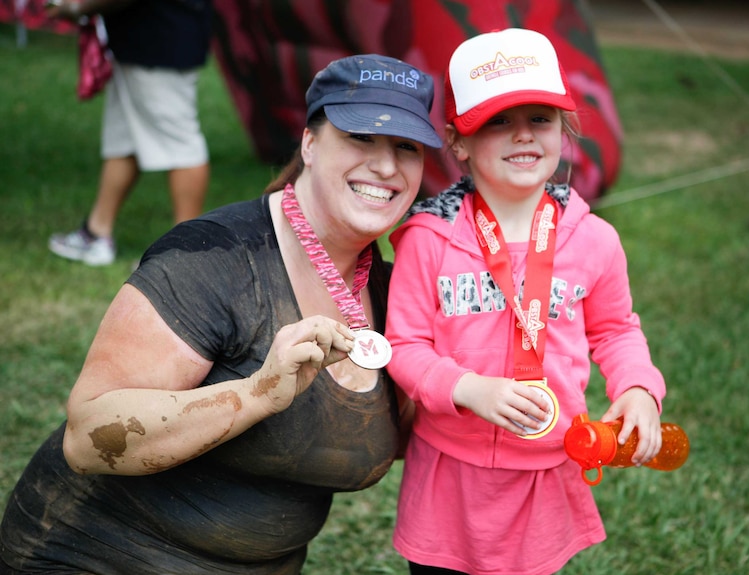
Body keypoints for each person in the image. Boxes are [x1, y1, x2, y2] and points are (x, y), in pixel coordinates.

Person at [0, 53, 441, 574]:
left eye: (406, 147)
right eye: (362, 138)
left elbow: (411, 432)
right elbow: (88, 437)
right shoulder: (213, 258)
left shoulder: (394, 290)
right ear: (310, 143)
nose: (386, 166)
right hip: (94, 555)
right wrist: (255, 394)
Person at [384, 28, 667, 575]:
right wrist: (468, 388)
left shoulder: (595, 240)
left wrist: (639, 389)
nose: (523, 136)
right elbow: (404, 344)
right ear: (458, 141)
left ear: (564, 131)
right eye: (498, 121)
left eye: (539, 118)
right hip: (450, 472)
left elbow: (616, 330)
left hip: (548, 469)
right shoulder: (426, 238)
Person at [46, 0, 213, 266]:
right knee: (125, 140)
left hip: (162, 44)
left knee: (182, 148)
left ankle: (186, 255)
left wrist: (76, 6)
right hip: (143, 41)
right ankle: (96, 233)